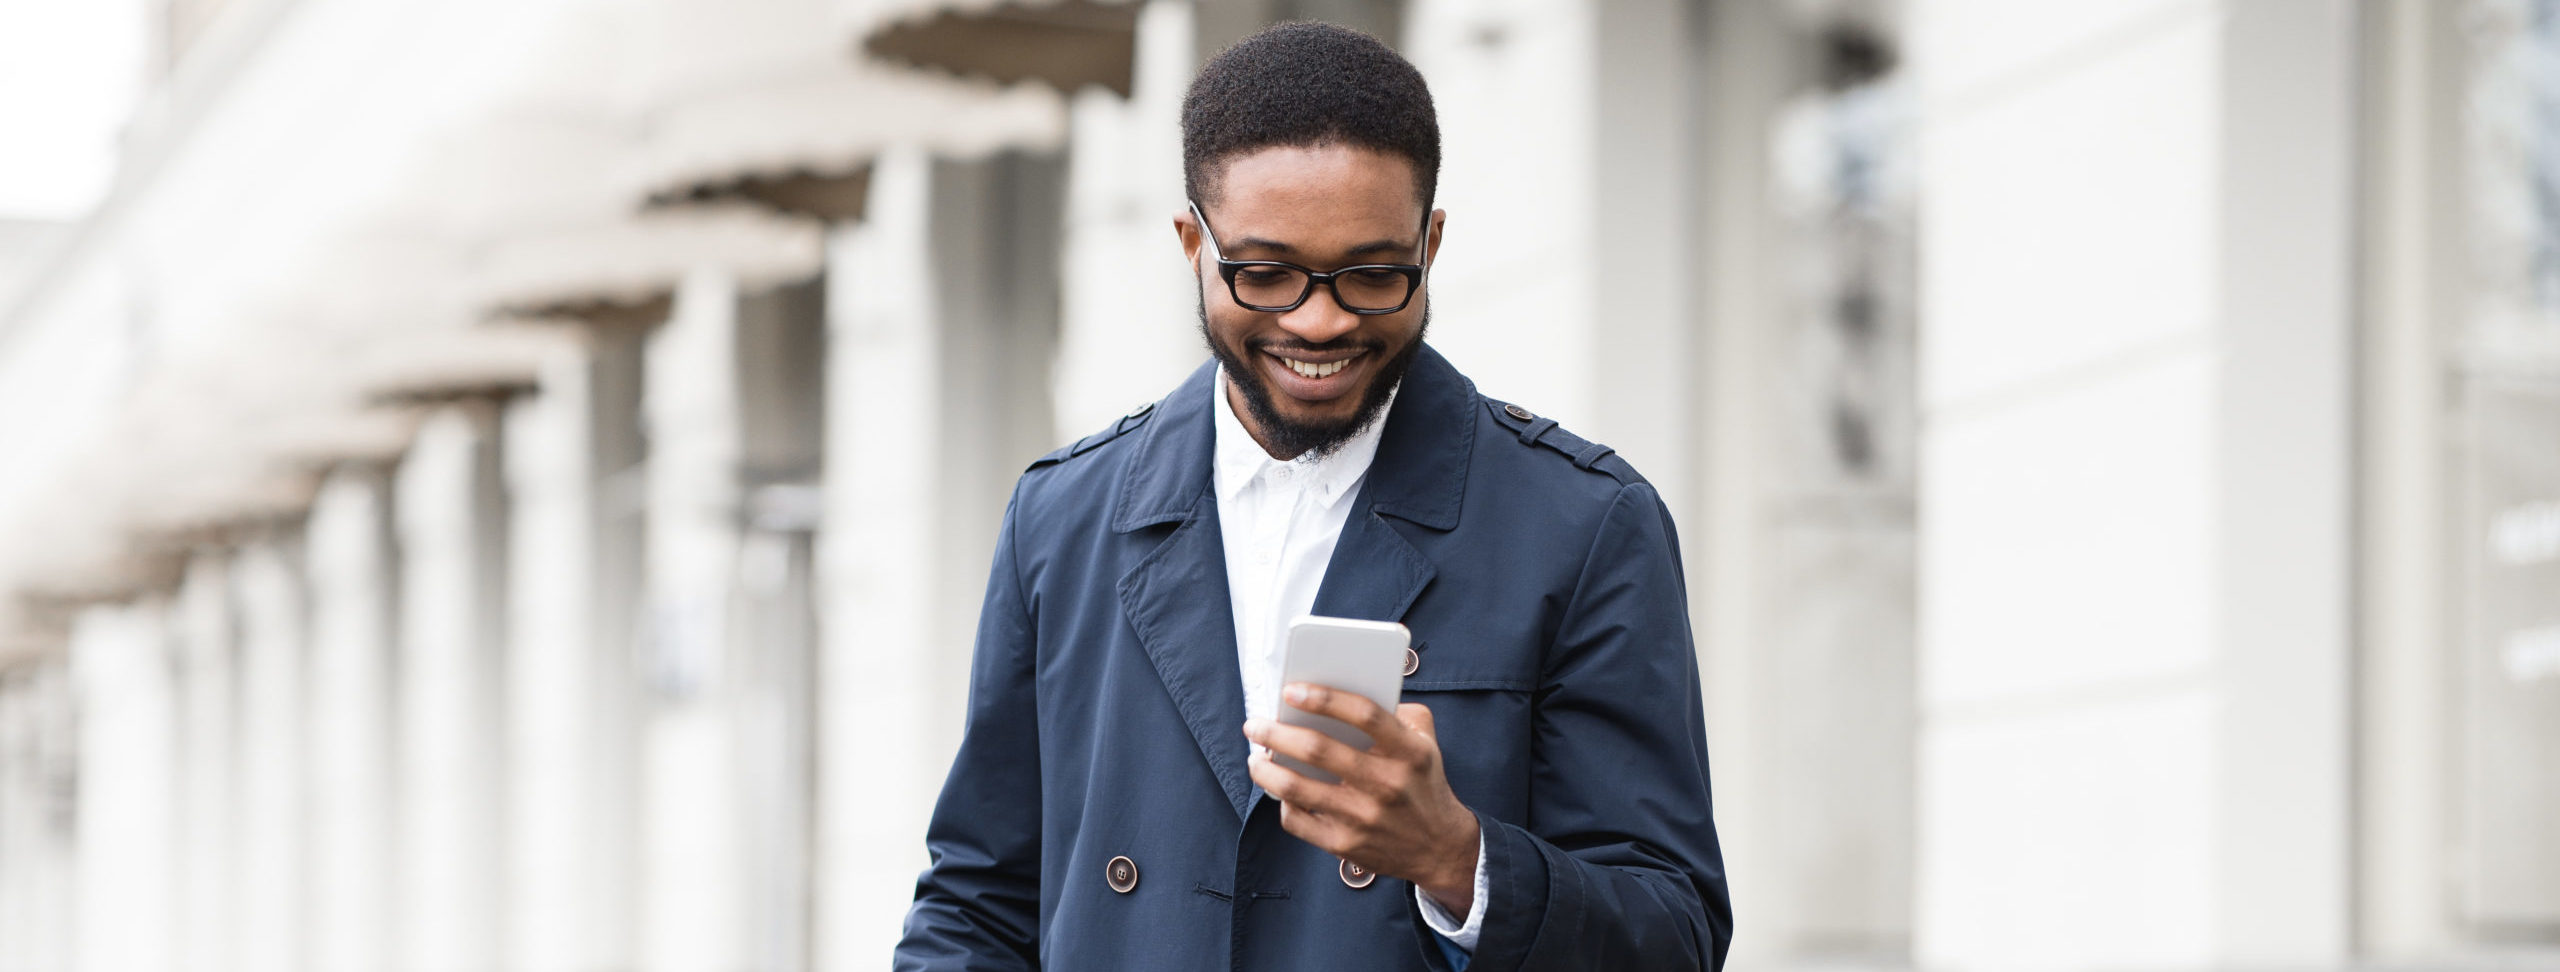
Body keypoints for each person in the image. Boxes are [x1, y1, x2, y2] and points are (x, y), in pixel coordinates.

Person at [894, 21, 1730, 971]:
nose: (1319, 320)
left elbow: (1674, 937)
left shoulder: (1582, 526)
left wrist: (1460, 860)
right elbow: (976, 909)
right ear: (1191, 245)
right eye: (1266, 273)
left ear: (1432, 242)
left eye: (1373, 273)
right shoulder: (1064, 518)